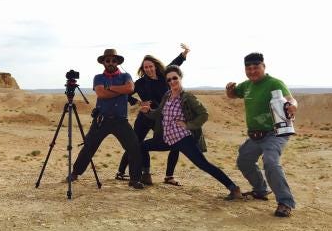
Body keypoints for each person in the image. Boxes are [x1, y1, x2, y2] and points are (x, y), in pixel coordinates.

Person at [141, 65, 243, 200]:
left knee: (203, 164)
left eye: (174, 78)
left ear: (180, 78)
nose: (172, 81)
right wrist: (148, 111)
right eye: (169, 80)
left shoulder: (187, 97)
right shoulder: (167, 95)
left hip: (182, 139)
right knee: (142, 146)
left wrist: (188, 125)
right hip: (167, 139)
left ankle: (234, 188)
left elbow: (204, 114)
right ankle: (146, 175)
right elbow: (158, 114)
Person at [226, 52, 298, 217]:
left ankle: (285, 202)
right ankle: (260, 190)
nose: (252, 71)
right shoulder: (247, 85)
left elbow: (290, 99)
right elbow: (233, 95)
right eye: (248, 68)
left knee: (270, 162)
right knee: (244, 161)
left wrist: (293, 105)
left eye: (256, 67)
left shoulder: (274, 83)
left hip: (274, 133)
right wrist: (229, 90)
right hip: (255, 135)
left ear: (263, 66)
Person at [70, 48, 145, 189]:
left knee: (134, 147)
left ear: (117, 62)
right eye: (108, 60)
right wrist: (120, 90)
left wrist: (109, 87)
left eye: (113, 60)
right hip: (101, 120)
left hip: (120, 120)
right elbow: (101, 94)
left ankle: (135, 179)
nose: (111, 62)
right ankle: (75, 173)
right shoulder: (98, 77)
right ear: (103, 62)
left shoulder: (126, 76)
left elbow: (130, 88)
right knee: (89, 146)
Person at [117, 44, 190, 186]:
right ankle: (121, 172)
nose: (149, 69)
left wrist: (183, 55)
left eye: (150, 66)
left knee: (175, 143)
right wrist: (138, 102)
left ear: (155, 66)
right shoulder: (140, 83)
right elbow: (125, 94)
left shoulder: (164, 77)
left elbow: (174, 64)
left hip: (163, 118)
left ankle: (169, 176)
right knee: (135, 144)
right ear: (143, 69)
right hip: (145, 118)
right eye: (146, 67)